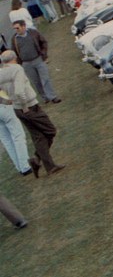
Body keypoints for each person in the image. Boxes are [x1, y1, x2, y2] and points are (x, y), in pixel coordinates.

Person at [0, 50, 65, 178]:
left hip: (16, 109)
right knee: (50, 130)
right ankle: (37, 158)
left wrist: (8, 102)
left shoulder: (1, 72)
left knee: (37, 136)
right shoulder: (17, 69)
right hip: (29, 106)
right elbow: (19, 91)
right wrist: (24, 106)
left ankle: (48, 165)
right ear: (15, 58)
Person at [11, 20, 62, 104]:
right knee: (36, 81)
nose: (16, 30)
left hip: (38, 59)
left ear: (24, 26)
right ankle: (44, 97)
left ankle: (52, 97)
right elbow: (14, 51)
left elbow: (44, 42)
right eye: (14, 29)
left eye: (17, 28)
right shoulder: (15, 39)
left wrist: (43, 54)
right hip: (26, 63)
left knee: (45, 78)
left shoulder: (33, 33)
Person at [1, 86, 33, 176]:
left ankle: (19, 167)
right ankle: (25, 166)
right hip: (3, 107)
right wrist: (7, 99)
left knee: (7, 140)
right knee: (18, 136)